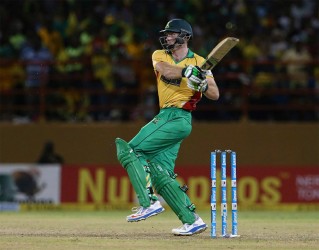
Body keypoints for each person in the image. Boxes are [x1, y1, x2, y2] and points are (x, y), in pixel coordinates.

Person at [115, 19, 219, 236]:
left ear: (185, 36)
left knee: (130, 150)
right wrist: (187, 72)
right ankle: (192, 221)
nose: (167, 38)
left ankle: (148, 203)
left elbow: (214, 94)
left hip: (178, 117)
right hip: (167, 116)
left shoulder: (200, 61)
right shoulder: (160, 55)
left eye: (172, 34)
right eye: (167, 34)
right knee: (160, 174)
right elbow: (167, 71)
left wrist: (202, 83)